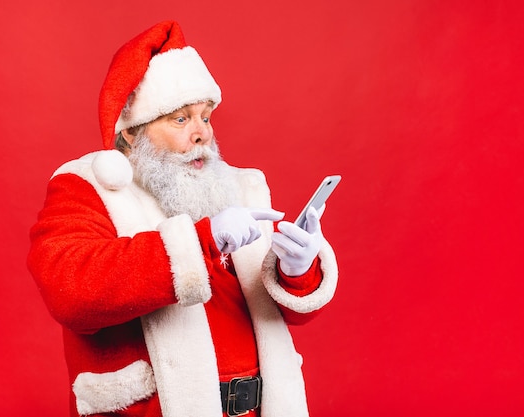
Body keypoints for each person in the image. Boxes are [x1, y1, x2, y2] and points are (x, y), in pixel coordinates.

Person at [28, 20, 338, 417]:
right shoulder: (88, 188)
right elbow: (69, 291)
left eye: (206, 117)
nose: (202, 134)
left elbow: (293, 313)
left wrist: (297, 270)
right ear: (131, 132)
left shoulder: (236, 189)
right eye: (180, 119)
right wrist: (199, 242)